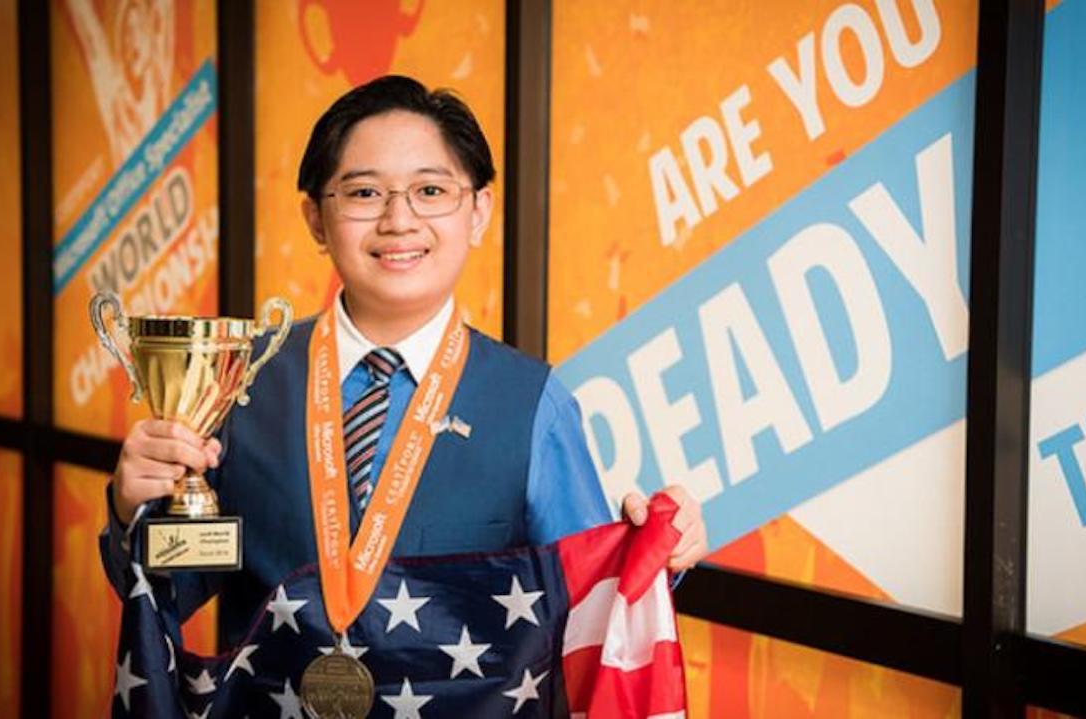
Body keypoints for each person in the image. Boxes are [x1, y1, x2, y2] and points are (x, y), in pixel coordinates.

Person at [99, 75, 708, 649]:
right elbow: (168, 593)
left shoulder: (533, 405)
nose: (398, 220)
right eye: (364, 192)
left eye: (430, 191)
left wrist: (661, 549)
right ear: (316, 219)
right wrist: (132, 510)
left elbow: (593, 607)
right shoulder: (240, 379)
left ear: (479, 213)